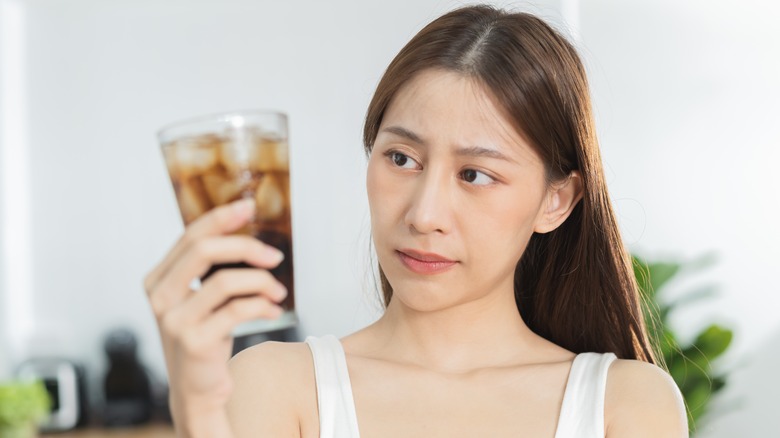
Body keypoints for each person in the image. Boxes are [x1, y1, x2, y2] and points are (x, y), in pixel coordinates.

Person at [144, 4, 688, 437]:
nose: (424, 215)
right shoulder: (274, 384)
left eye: (475, 174)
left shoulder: (624, 405)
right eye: (402, 159)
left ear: (557, 201)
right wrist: (198, 415)